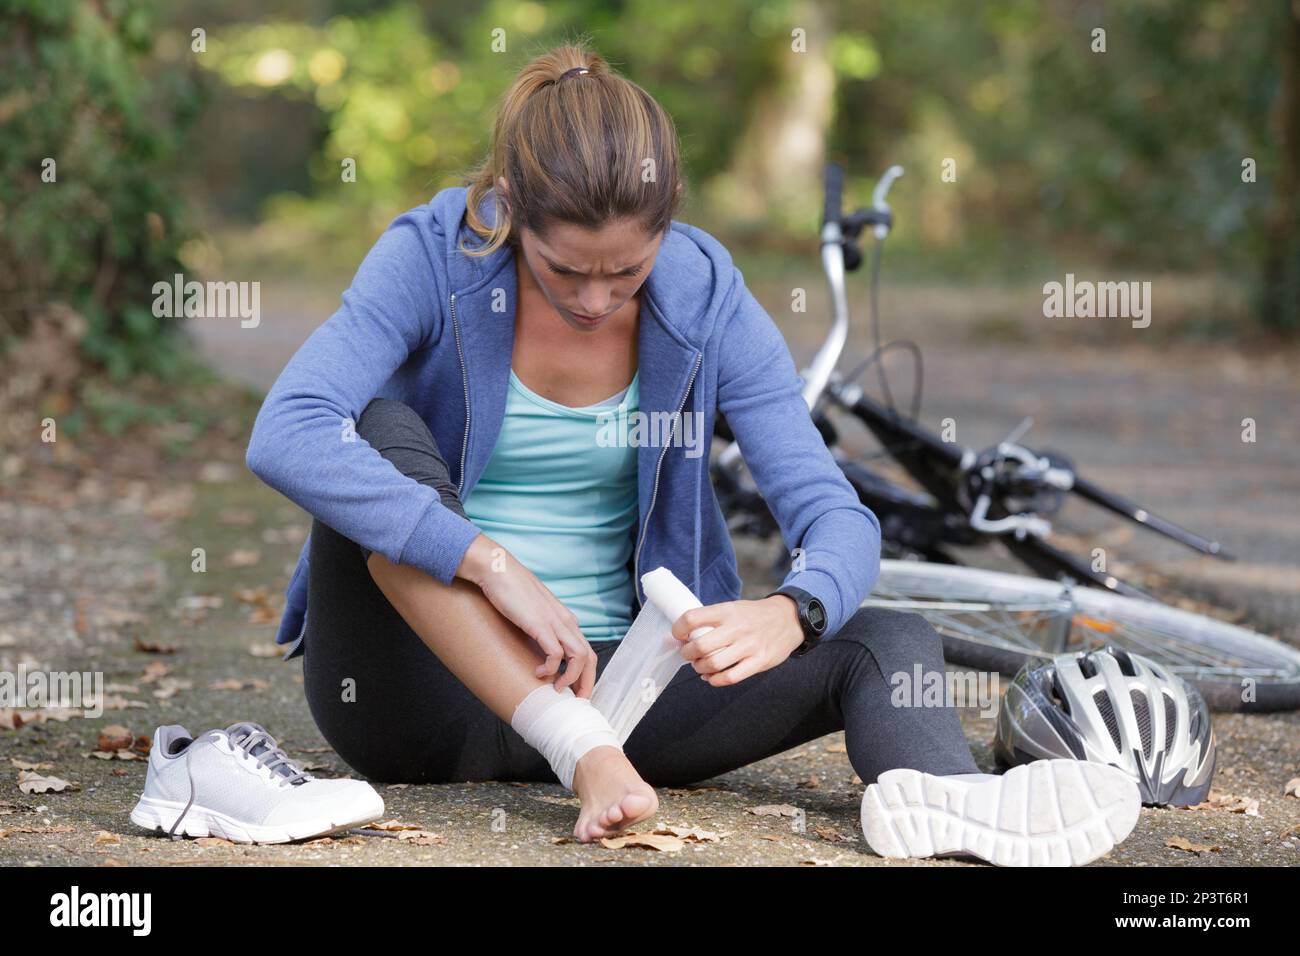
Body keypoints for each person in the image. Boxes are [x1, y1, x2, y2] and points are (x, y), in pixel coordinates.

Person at [245, 44, 1140, 863]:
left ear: (667, 228)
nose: (597, 300)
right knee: (375, 433)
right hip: (420, 694)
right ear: (511, 209)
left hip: (629, 694)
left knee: (888, 639)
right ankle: (575, 748)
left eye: (626, 272)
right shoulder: (434, 257)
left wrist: (793, 611)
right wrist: (487, 561)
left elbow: (833, 514)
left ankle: (945, 801)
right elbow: (288, 429)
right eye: (565, 272)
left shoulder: (705, 297)